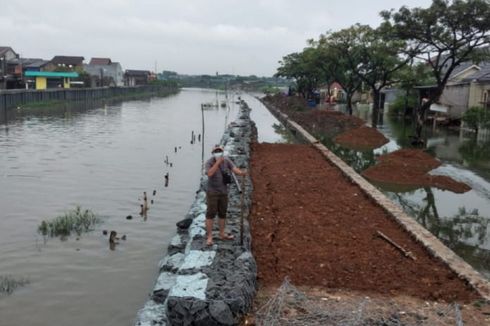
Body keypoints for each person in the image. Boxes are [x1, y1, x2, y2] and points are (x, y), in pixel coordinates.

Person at [205, 144, 246, 246]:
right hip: (213, 192)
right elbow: (209, 173)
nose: (218, 153)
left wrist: (241, 173)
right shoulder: (209, 162)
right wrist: (217, 163)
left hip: (223, 192)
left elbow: (234, 169)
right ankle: (209, 237)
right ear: (213, 153)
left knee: (222, 213)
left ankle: (222, 233)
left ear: (222, 152)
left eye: (219, 151)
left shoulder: (226, 160)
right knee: (210, 214)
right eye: (216, 151)